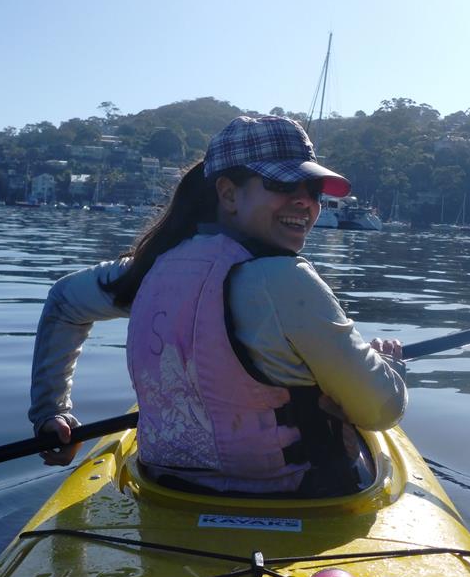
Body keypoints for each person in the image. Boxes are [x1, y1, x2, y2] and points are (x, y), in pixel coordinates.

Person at [28, 115, 407, 496]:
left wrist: (51, 411)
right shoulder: (288, 280)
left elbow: (64, 302)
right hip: (296, 496)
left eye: (313, 190)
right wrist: (387, 366)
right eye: (282, 183)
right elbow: (380, 409)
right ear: (227, 193)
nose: (304, 201)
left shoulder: (147, 270)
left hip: (169, 489)